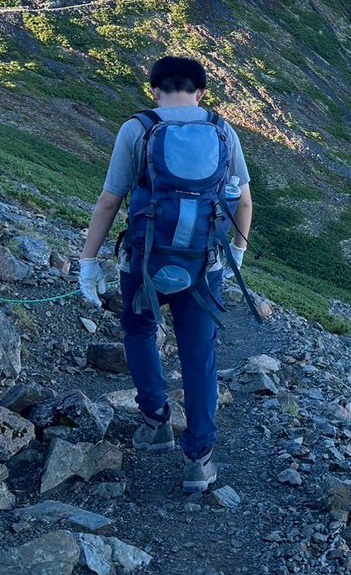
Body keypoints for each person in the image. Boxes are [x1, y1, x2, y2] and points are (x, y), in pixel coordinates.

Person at [78, 55, 253, 492]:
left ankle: (156, 421)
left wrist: (88, 261)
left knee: (139, 333)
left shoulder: (137, 128)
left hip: (144, 262)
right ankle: (199, 460)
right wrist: (236, 254)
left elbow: (109, 201)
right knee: (200, 356)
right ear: (201, 91)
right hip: (204, 265)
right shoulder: (221, 129)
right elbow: (245, 203)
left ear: (153, 89)